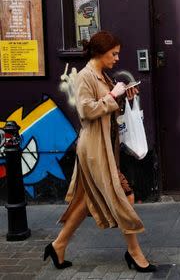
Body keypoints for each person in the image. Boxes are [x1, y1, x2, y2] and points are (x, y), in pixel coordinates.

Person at [43, 30, 156, 273]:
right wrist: (113, 95)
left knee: (84, 201)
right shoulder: (85, 76)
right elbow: (86, 111)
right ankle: (134, 252)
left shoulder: (101, 76)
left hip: (105, 148)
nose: (116, 59)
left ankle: (58, 245)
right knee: (124, 196)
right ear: (100, 52)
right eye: (113, 54)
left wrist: (124, 97)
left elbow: (109, 109)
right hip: (94, 150)